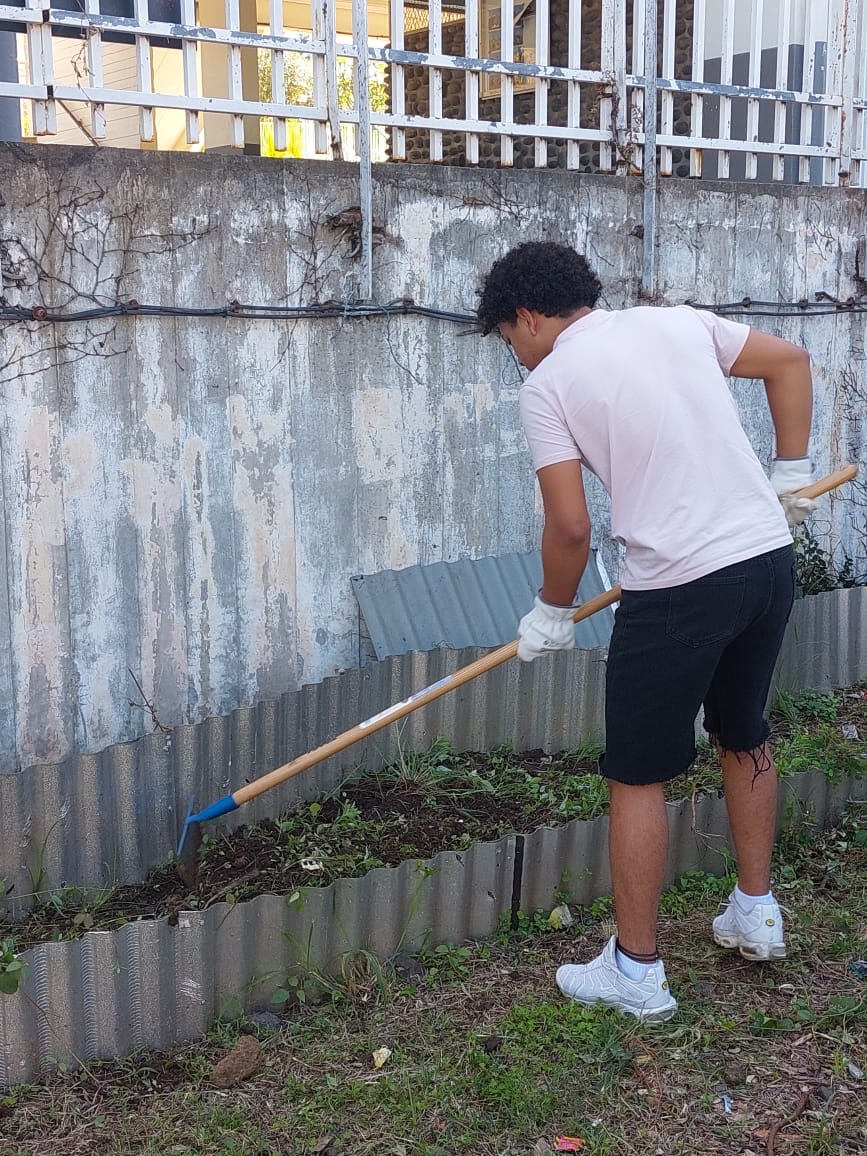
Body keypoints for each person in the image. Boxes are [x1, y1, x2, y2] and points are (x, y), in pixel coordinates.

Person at [476, 241, 815, 1022]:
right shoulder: (677, 325)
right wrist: (790, 470)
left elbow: (569, 530)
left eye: (508, 340)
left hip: (678, 589)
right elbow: (790, 360)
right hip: (764, 561)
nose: (516, 357)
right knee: (743, 731)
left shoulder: (549, 385)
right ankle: (755, 909)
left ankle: (635, 970)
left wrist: (551, 610)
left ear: (528, 317)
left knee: (636, 771)